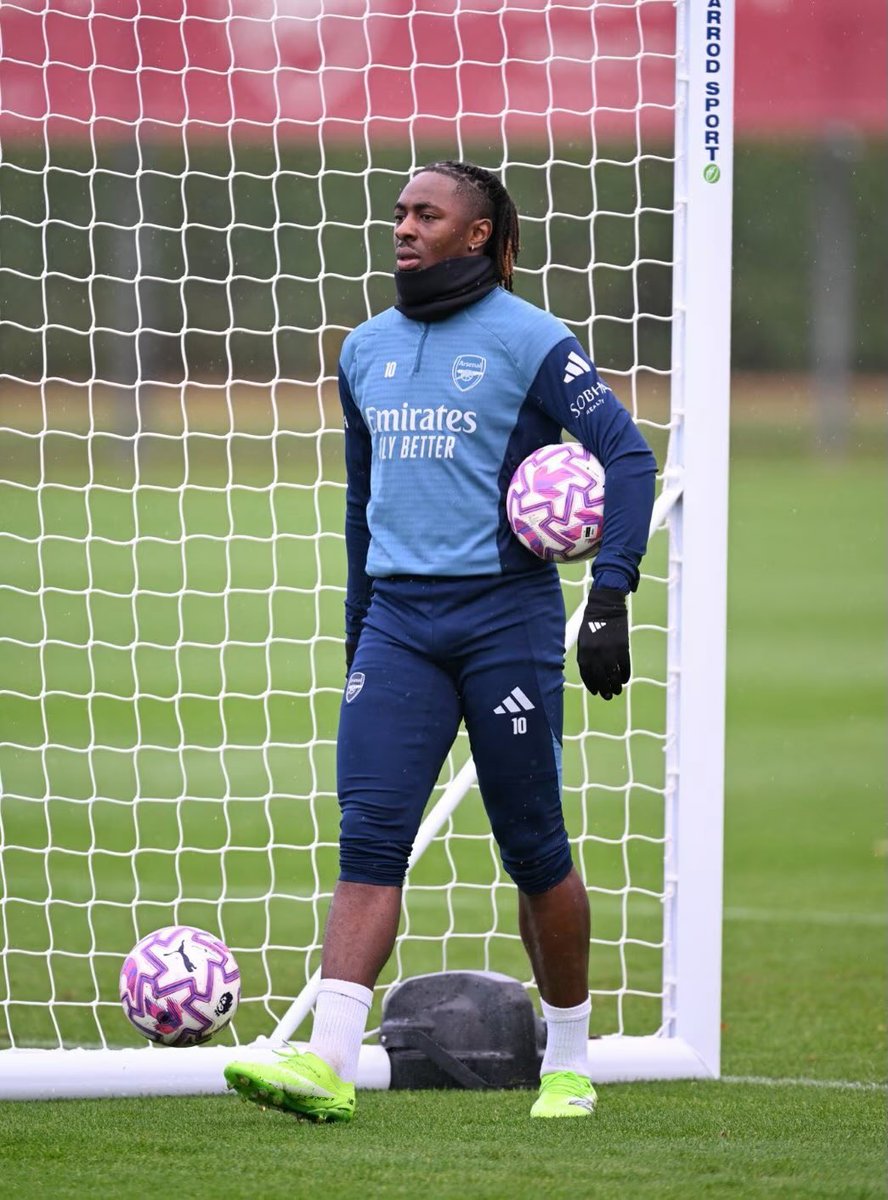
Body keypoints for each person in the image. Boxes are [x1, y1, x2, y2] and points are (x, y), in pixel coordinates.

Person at [225, 161, 656, 1122]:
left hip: (505, 619)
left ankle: (571, 1062)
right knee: (369, 841)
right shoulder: (364, 349)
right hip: (397, 629)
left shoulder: (534, 341)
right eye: (399, 213)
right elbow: (359, 504)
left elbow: (628, 456)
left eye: (428, 213)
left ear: (477, 235)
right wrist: (356, 632)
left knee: (534, 847)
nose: (404, 226)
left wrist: (610, 595)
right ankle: (329, 1061)